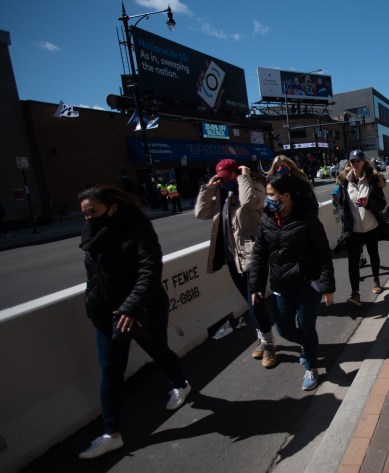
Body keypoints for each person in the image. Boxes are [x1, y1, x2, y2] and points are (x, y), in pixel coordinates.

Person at [77, 185, 190, 459]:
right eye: (85, 214)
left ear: (113, 207)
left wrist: (131, 307)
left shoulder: (139, 232)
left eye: (94, 211)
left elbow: (149, 272)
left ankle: (181, 384)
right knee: (111, 371)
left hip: (143, 310)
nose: (89, 218)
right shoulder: (91, 235)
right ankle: (111, 433)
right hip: (106, 314)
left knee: (158, 351)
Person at [249, 173, 335, 391]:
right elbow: (259, 255)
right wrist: (256, 286)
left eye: (271, 195)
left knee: (306, 328)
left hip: (307, 285)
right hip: (280, 286)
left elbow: (323, 253)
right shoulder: (266, 219)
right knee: (283, 331)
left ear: (285, 196)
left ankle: (311, 366)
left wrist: (327, 287)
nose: (268, 199)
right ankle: (309, 346)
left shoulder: (307, 219)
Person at [194, 159, 276, 367]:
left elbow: (250, 202)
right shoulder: (221, 194)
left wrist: (243, 178)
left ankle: (268, 343)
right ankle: (262, 337)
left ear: (235, 173)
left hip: (253, 255)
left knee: (254, 303)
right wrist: (208, 189)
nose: (222, 181)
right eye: (219, 177)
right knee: (249, 303)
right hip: (232, 259)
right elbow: (201, 213)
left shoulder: (253, 185)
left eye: (225, 177)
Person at [332, 150, 388, 306]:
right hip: (354, 230)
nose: (354, 164)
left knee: (373, 254)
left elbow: (382, 204)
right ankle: (355, 293)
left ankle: (376, 279)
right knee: (353, 261)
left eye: (357, 161)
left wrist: (368, 204)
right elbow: (339, 203)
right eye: (352, 161)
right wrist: (343, 215)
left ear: (363, 162)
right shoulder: (344, 182)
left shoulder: (372, 181)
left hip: (371, 226)